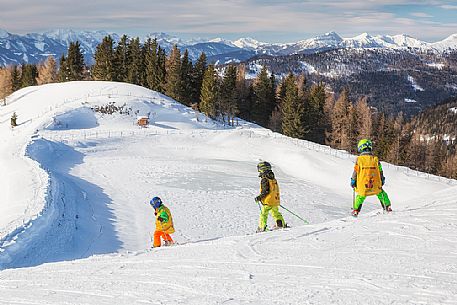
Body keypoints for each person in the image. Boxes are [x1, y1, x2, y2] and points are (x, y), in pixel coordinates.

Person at [350, 139, 392, 217]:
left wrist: (353, 180)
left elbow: (355, 171)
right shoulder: (375, 159)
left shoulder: (359, 160)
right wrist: (382, 179)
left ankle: (356, 211)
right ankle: (387, 206)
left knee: (360, 196)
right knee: (382, 194)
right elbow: (380, 171)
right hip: (375, 184)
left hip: (363, 185)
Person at [255, 161, 286, 232]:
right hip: (275, 200)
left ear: (262, 169)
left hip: (268, 201)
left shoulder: (264, 179)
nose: (259, 171)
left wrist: (259, 197)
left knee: (263, 214)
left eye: (259, 169)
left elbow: (266, 191)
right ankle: (281, 225)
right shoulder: (272, 178)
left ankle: (262, 228)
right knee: (275, 213)